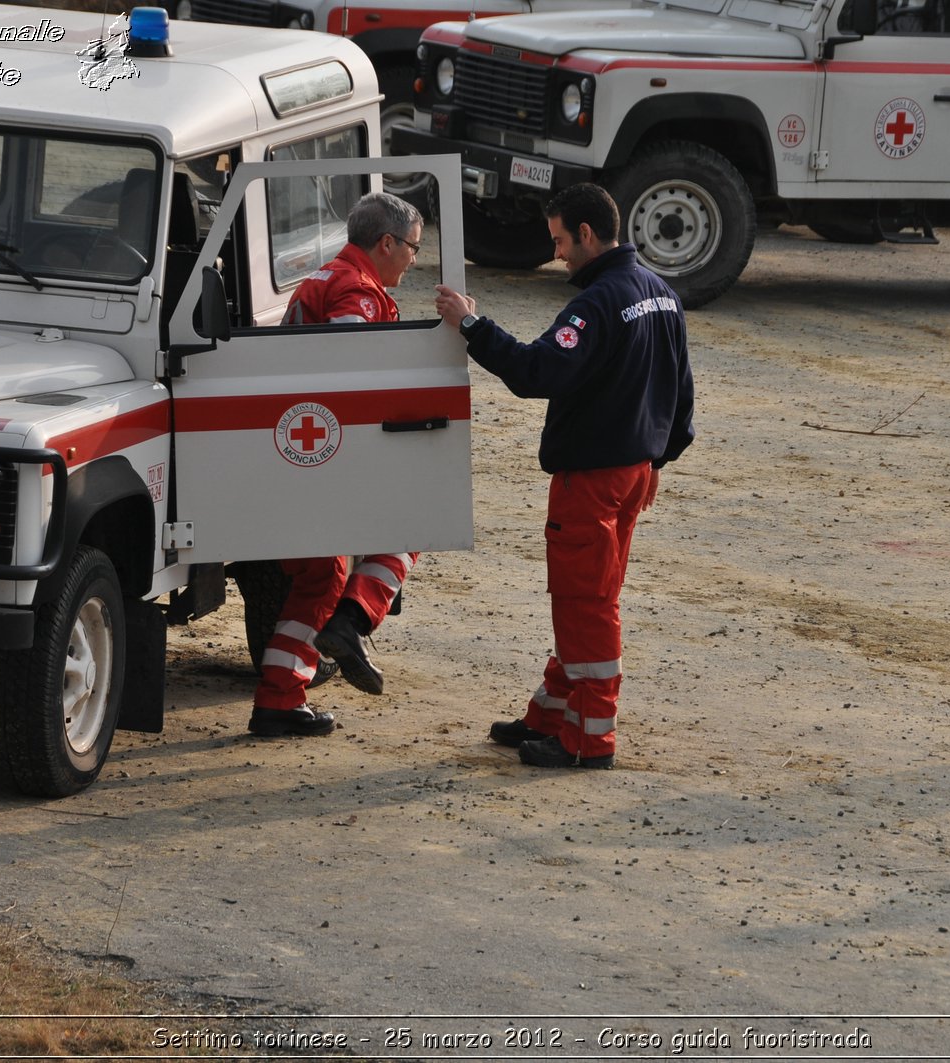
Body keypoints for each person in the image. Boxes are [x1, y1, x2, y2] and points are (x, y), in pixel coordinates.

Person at [434, 183, 695, 769]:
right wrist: (658, 458)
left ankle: (589, 740)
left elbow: (536, 371)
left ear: (585, 234)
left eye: (559, 240)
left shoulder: (596, 303)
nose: (556, 254)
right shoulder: (660, 293)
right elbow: (682, 394)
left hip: (595, 479)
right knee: (589, 595)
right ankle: (553, 711)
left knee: (586, 601)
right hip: (635, 473)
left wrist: (473, 327)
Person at [247, 190, 426, 737]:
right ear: (387, 243)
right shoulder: (358, 290)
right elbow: (349, 368)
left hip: (297, 453)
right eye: (414, 249)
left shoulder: (325, 278)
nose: (416, 259)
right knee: (407, 529)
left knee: (321, 577)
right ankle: (352, 624)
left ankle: (279, 701)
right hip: (324, 457)